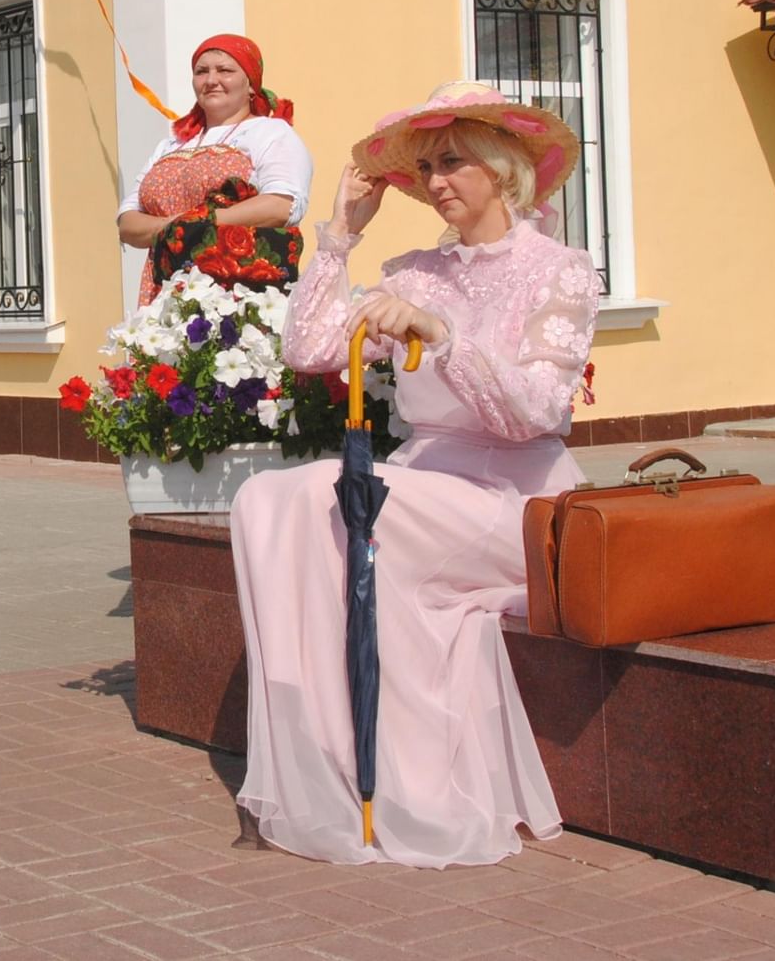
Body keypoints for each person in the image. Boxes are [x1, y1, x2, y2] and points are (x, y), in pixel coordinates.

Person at [229, 80, 599, 867]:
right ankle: (330, 758)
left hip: (515, 497)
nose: (434, 182)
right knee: (268, 498)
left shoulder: (561, 271)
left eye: (453, 162)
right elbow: (312, 351)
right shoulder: (414, 270)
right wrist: (339, 236)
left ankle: (418, 783)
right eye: (426, 166)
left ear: (503, 169)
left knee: (364, 510)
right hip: (423, 482)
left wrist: (445, 337)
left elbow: (534, 409)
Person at [116, 33, 313, 304]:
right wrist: (178, 228)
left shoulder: (269, 133)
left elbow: (282, 205)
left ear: (251, 84)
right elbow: (127, 222)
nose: (211, 80)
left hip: (237, 294)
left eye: (225, 70)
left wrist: (194, 227)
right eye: (201, 71)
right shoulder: (170, 145)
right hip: (164, 294)